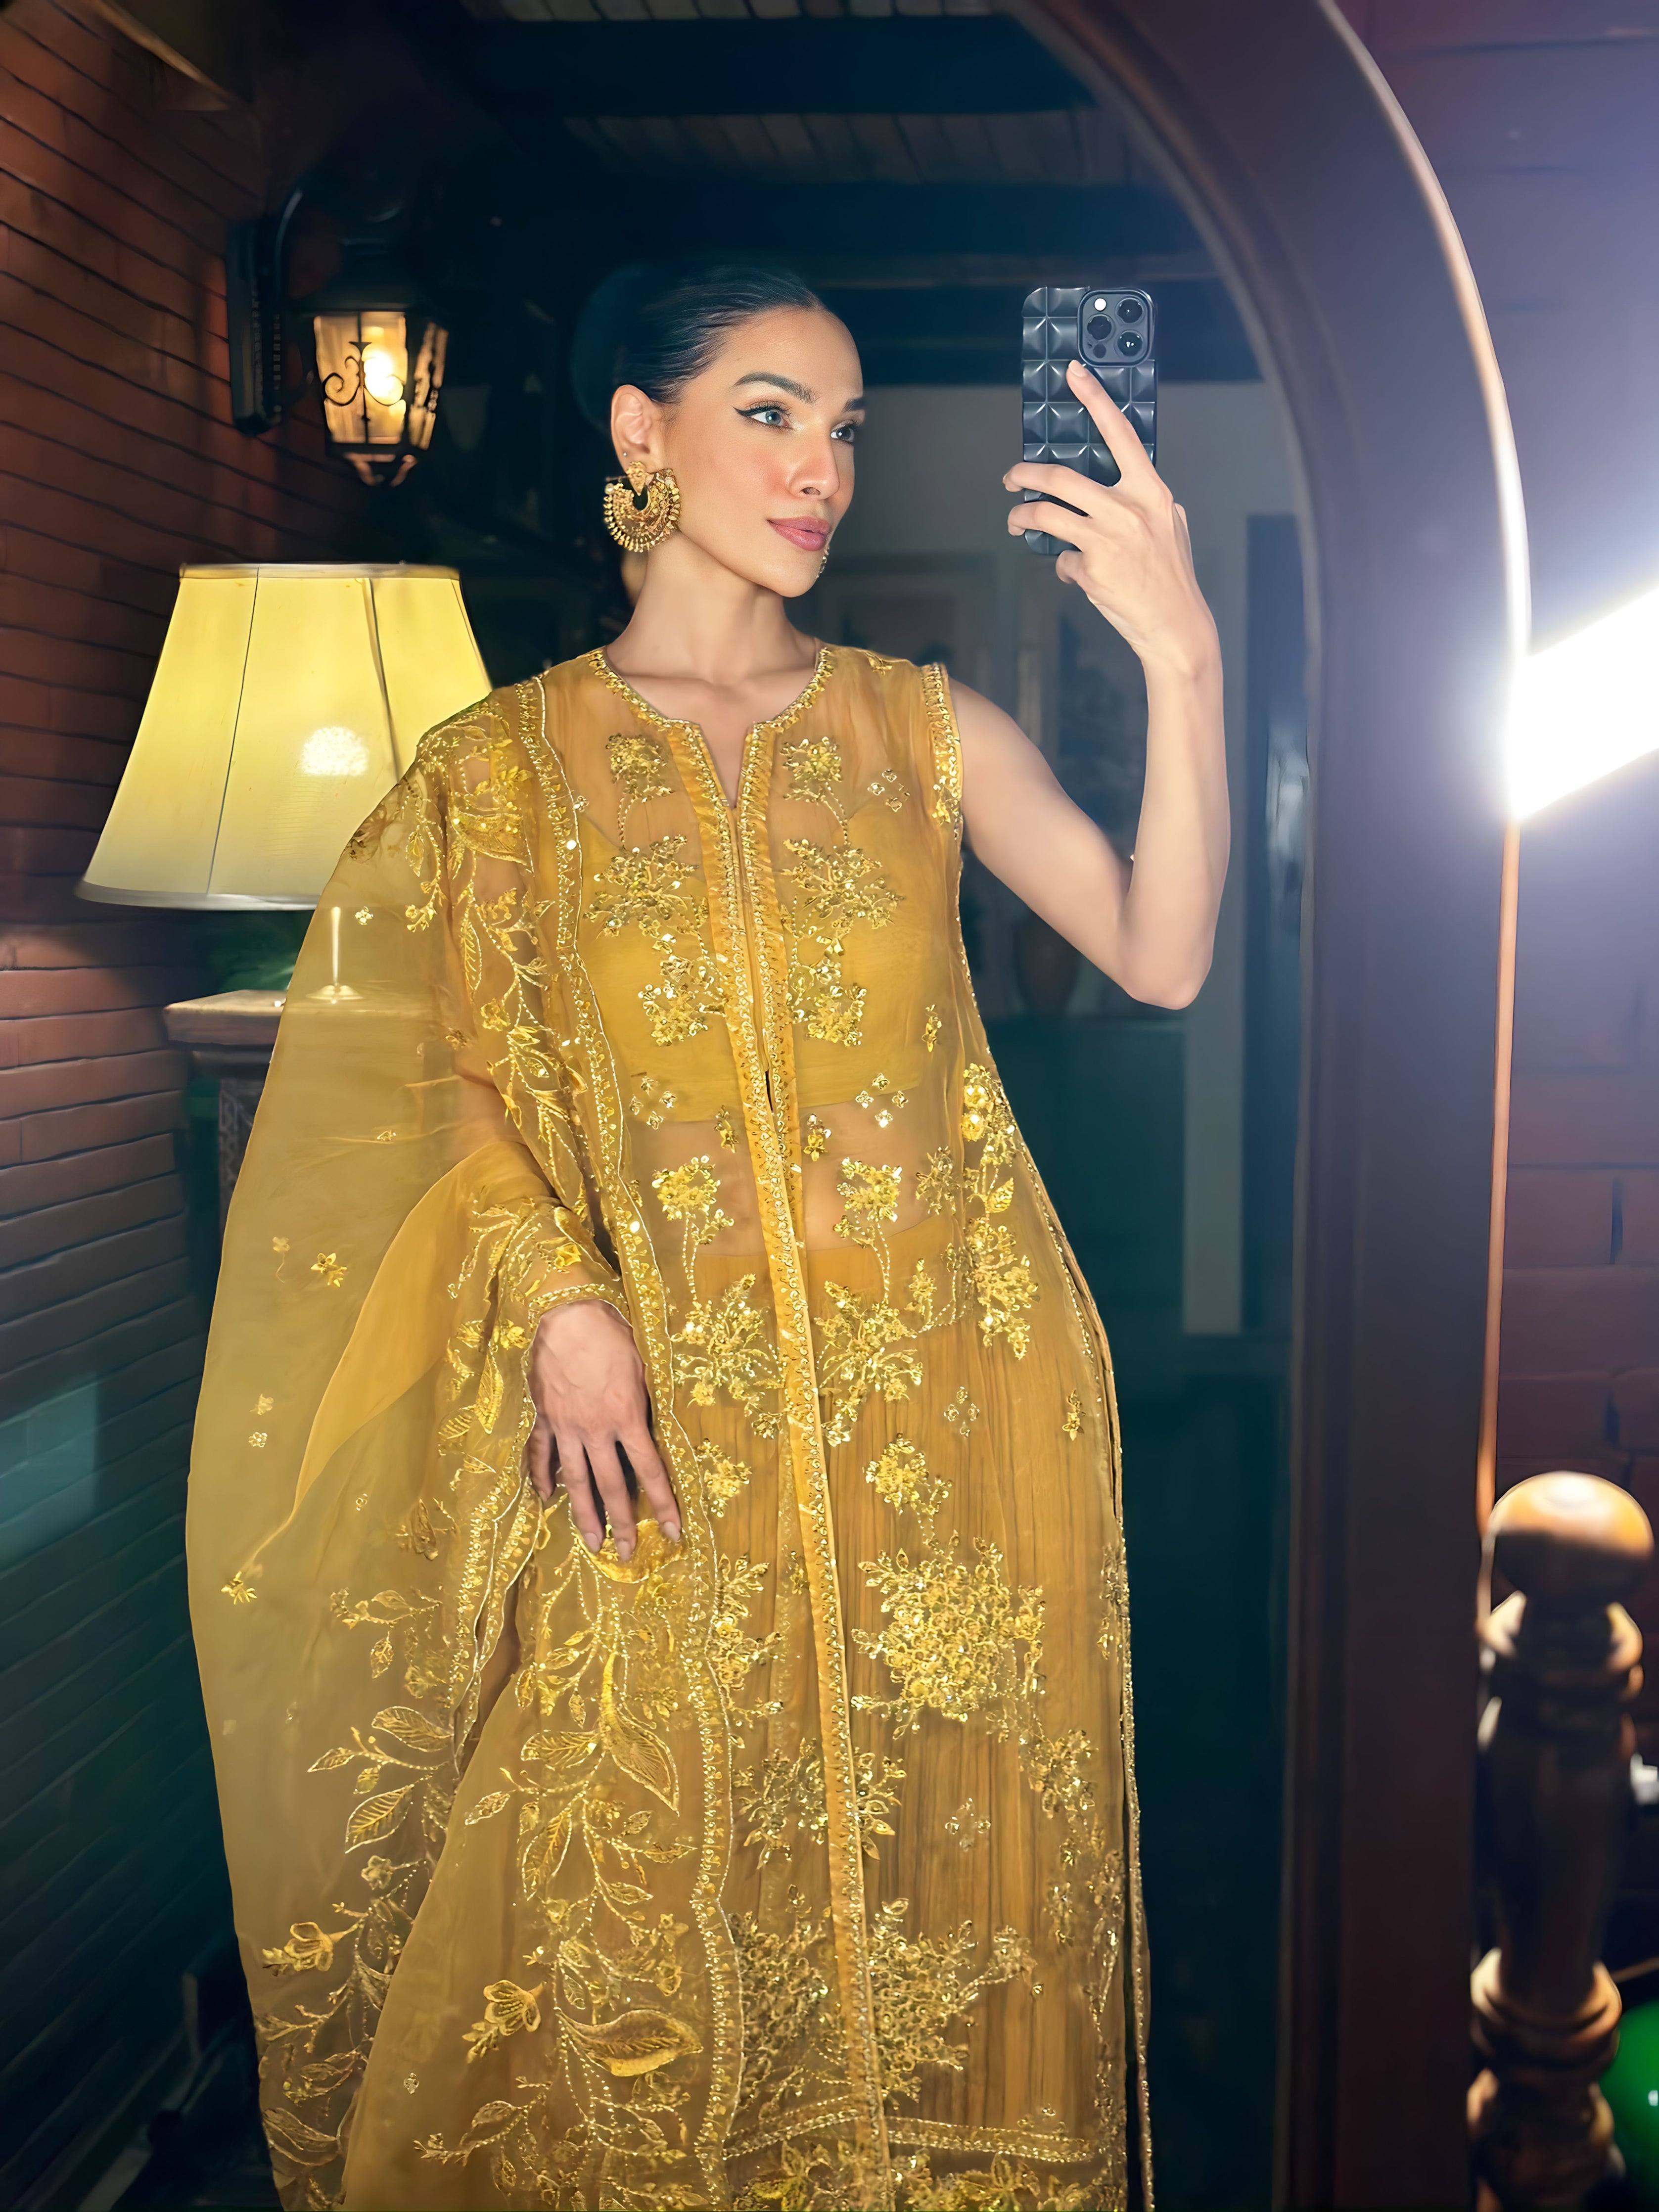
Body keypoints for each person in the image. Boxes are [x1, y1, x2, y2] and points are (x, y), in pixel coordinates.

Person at [187, 260, 1225, 2212]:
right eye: (769, 411)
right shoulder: (495, 775)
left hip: (951, 1440)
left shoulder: (920, 729)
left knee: (941, 1910)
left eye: (845, 427)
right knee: (618, 1928)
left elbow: (1158, 952)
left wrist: (1177, 658)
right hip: (657, 1446)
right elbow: (428, 1079)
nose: (821, 466)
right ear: (638, 431)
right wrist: (554, 1298)